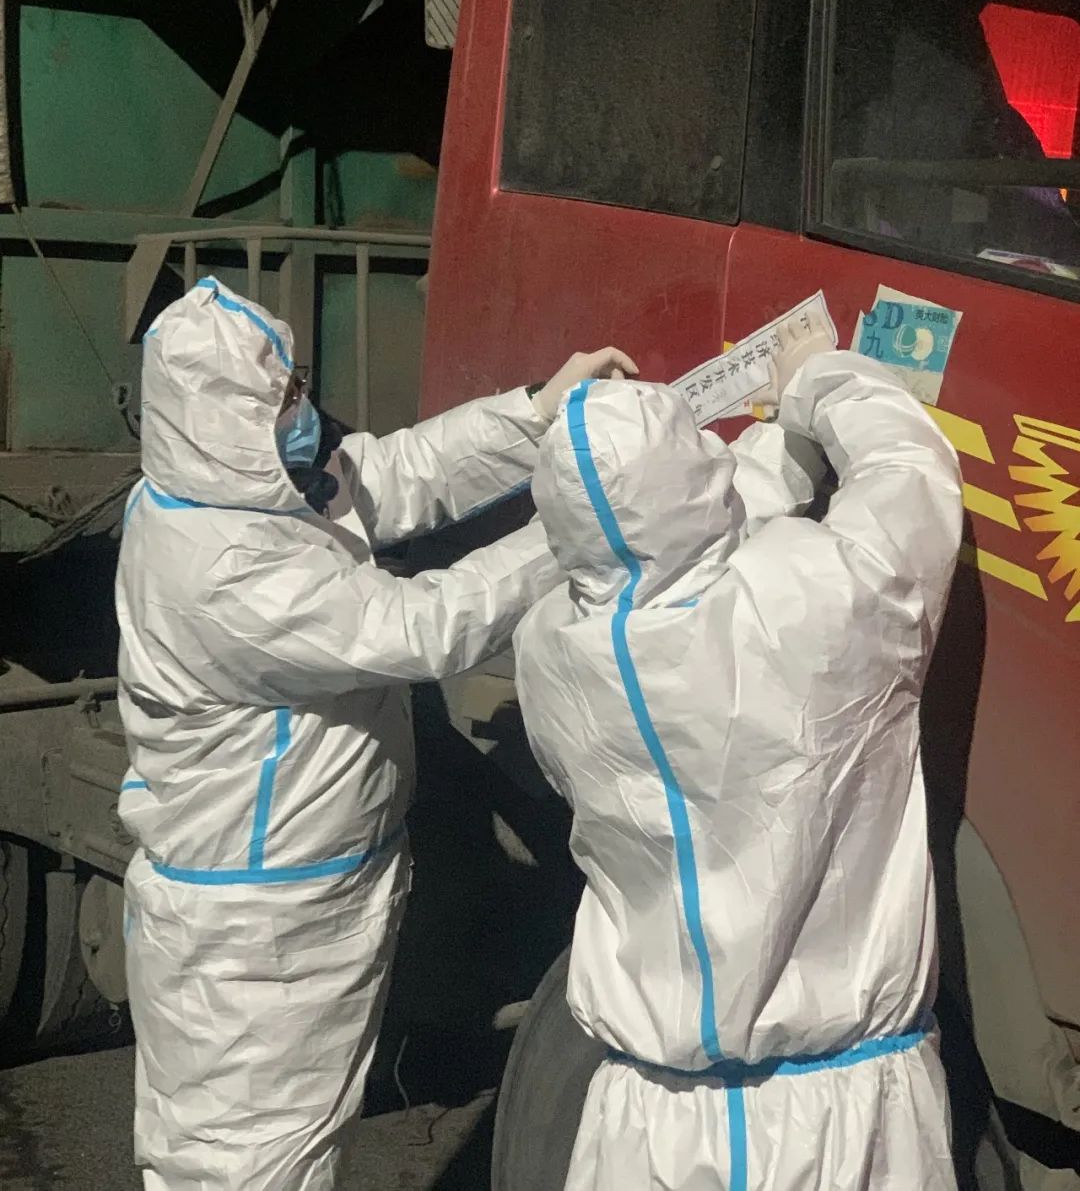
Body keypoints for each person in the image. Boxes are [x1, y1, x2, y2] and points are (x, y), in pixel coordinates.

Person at [116, 275, 636, 1191]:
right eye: (283, 399)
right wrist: (575, 520)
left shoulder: (240, 494)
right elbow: (423, 626)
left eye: (297, 386)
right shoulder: (222, 568)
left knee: (296, 1154)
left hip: (299, 907)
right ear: (223, 423)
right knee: (244, 1168)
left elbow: (391, 475)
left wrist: (535, 416)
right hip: (254, 945)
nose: (305, 411)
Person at [513, 325, 963, 1191]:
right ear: (700, 481)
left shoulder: (547, 650)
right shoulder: (825, 600)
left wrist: (773, 451)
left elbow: (656, 546)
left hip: (648, 1125)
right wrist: (815, 380)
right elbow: (909, 472)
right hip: (840, 1121)